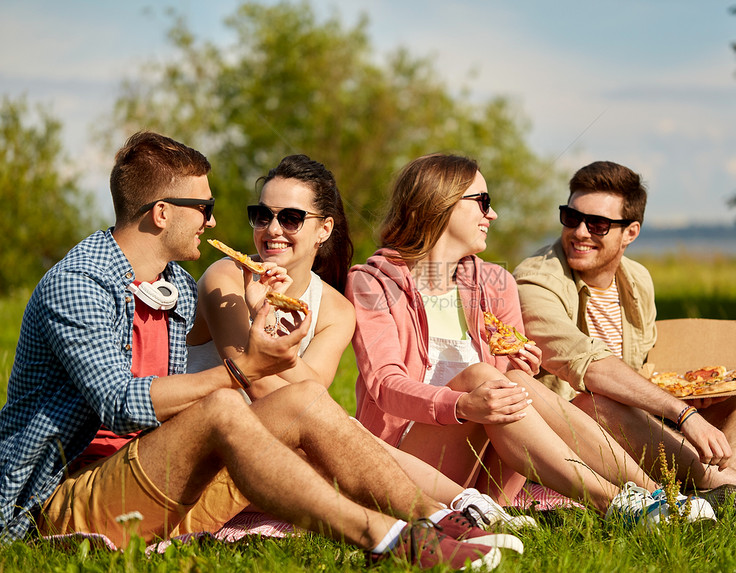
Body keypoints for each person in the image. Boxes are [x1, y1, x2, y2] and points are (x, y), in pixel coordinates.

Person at [0, 132, 506, 570]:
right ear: (160, 213)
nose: (214, 223)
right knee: (221, 404)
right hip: (65, 497)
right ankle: (387, 538)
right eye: (204, 209)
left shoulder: (172, 281)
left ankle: (439, 520)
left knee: (303, 404)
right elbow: (120, 403)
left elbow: (300, 394)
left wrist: (261, 328)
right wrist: (244, 367)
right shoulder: (78, 284)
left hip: (154, 469)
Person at [347, 153, 719, 529]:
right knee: (481, 376)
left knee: (517, 381)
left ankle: (658, 494)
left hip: (488, 475)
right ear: (440, 203)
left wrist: (520, 365)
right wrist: (464, 404)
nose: (491, 215)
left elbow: (509, 382)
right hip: (405, 464)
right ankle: (614, 502)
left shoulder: (495, 283)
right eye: (483, 202)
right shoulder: (373, 282)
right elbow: (385, 385)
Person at [188, 153, 531, 534]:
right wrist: (264, 318)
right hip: (213, 444)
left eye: (290, 218)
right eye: (262, 215)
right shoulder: (227, 276)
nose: (272, 229)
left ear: (324, 228)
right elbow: (258, 381)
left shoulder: (335, 307)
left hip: (286, 441)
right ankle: (455, 507)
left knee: (333, 425)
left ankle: (461, 508)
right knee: (338, 429)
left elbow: (312, 391)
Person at [513, 160, 736, 517]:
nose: (580, 232)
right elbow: (585, 365)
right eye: (571, 217)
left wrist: (693, 397)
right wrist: (682, 413)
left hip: (631, 428)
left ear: (630, 233)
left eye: (598, 224)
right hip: (574, 434)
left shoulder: (636, 280)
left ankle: (728, 498)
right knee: (596, 404)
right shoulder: (535, 280)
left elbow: (642, 368)